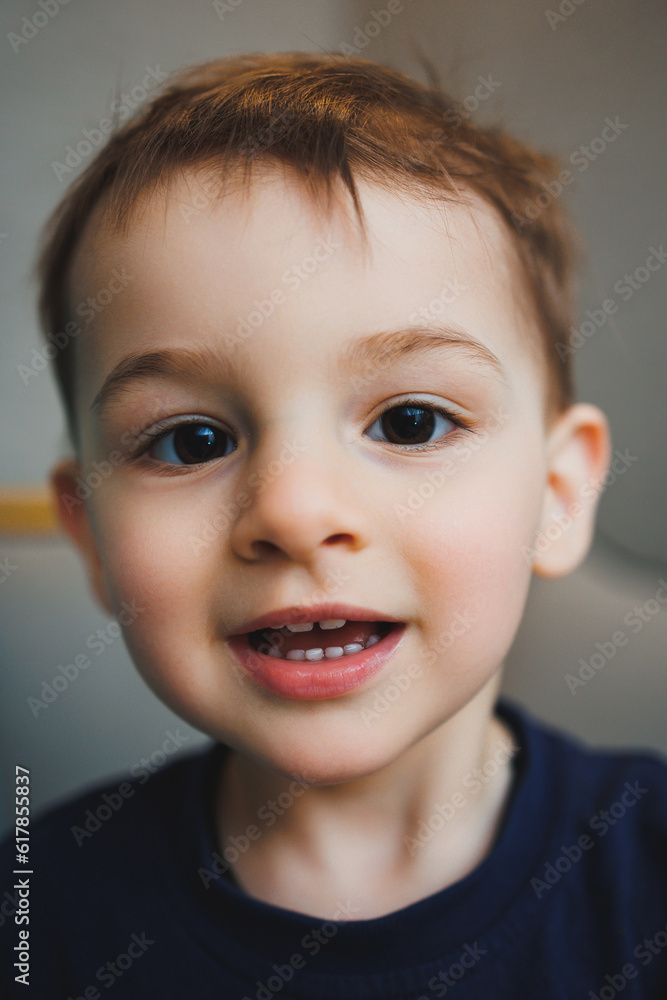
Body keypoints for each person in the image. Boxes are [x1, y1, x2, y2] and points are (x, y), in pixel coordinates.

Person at [1, 51, 666, 998]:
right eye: (191, 441)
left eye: (411, 422)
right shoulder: (37, 912)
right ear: (92, 538)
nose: (294, 511)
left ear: (558, 495)